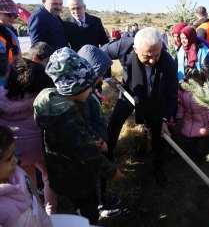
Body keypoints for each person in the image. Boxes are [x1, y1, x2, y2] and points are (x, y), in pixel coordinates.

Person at [33, 47, 125, 225]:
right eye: (88, 87)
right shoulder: (67, 118)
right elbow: (87, 154)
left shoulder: (59, 105)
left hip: (65, 174)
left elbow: (74, 141)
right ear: (74, 87)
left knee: (80, 206)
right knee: (87, 212)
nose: (91, 90)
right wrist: (112, 172)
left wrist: (89, 139)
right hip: (77, 177)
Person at [102, 27, 178, 186]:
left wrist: (165, 117)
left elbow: (172, 93)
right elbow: (100, 53)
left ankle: (158, 167)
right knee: (115, 122)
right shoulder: (124, 46)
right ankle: (107, 158)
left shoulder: (168, 61)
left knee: (159, 132)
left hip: (155, 97)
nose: (152, 60)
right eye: (147, 56)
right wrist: (106, 75)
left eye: (156, 54)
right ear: (135, 49)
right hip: (130, 93)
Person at [0, 58, 57, 215]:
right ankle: (51, 209)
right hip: (40, 146)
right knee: (48, 177)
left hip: (18, 150)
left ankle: (38, 210)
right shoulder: (41, 99)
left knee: (29, 179)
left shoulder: (1, 98)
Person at [77, 45, 121, 218]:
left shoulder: (90, 91)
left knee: (101, 177)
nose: (102, 77)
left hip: (101, 141)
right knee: (94, 178)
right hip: (96, 144)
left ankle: (102, 197)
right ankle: (99, 207)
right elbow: (86, 123)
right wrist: (98, 140)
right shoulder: (83, 97)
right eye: (99, 74)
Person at [0, 125, 52, 227]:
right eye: (9, 158)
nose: (15, 161)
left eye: (14, 154)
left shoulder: (19, 175)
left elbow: (35, 204)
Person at [176, 69, 209, 163]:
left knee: (199, 139)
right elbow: (181, 106)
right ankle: (193, 154)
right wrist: (179, 116)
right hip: (189, 120)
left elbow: (208, 109)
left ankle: (200, 156)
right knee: (190, 139)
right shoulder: (184, 95)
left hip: (201, 121)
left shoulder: (203, 94)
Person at [0, 0, 21, 86]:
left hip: (11, 80)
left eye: (15, 15)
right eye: (9, 14)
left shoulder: (9, 32)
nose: (12, 18)